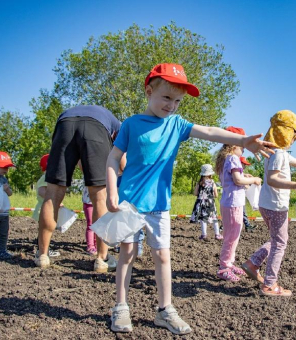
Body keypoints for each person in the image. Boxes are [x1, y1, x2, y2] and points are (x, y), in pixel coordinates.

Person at [105, 63, 275, 335]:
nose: (171, 105)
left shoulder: (177, 125)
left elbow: (208, 131)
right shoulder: (131, 124)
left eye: (178, 101)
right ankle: (121, 307)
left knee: (163, 256)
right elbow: (113, 158)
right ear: (149, 91)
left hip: (159, 206)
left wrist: (243, 141)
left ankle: (165, 310)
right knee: (128, 254)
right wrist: (111, 191)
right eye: (166, 97)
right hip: (129, 203)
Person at [241, 110, 296, 297]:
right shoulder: (279, 155)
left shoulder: (276, 153)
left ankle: (252, 263)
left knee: (277, 239)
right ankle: (269, 285)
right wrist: (295, 185)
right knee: (280, 243)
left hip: (268, 204)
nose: (293, 140)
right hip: (275, 206)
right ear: (285, 133)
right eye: (293, 135)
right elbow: (272, 179)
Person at [35, 105, 121, 273]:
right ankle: (102, 259)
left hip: (64, 124)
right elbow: (120, 154)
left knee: (53, 193)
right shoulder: (118, 125)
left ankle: (43, 255)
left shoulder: (73, 112)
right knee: (99, 198)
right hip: (96, 129)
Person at [214, 126, 262, 282]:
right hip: (234, 203)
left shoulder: (225, 159)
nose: (244, 150)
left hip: (228, 201)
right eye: (242, 146)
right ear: (234, 144)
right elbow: (238, 180)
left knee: (232, 235)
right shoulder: (233, 158)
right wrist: (253, 180)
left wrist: (244, 175)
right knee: (232, 237)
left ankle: (229, 263)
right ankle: (224, 268)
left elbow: (233, 178)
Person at [32, 154, 60, 258]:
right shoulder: (47, 176)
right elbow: (41, 191)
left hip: (42, 208)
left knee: (45, 229)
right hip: (43, 208)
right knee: (45, 229)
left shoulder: (46, 176)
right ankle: (43, 250)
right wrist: (54, 198)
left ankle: (44, 249)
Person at [190, 164, 222, 240]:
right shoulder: (212, 182)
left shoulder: (199, 183)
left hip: (200, 203)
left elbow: (195, 193)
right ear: (210, 174)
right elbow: (216, 195)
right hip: (210, 202)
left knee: (203, 219)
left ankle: (204, 235)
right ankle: (217, 234)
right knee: (214, 218)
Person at [240, 156, 258, 232]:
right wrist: (251, 181)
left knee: (242, 212)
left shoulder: (240, 173)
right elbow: (242, 182)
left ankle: (247, 225)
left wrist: (246, 176)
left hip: (240, 196)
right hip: (237, 197)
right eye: (243, 164)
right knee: (241, 212)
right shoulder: (236, 173)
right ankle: (247, 226)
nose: (244, 166)